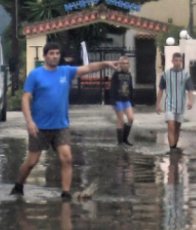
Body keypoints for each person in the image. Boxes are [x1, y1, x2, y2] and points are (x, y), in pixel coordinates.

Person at [10, 42, 119, 200]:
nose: (55, 56)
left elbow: (88, 68)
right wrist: (29, 122)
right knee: (32, 161)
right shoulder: (35, 74)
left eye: (57, 53)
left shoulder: (65, 72)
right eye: (51, 53)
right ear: (45, 56)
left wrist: (106, 64)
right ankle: (18, 185)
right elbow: (25, 99)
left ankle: (65, 193)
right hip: (39, 126)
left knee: (66, 158)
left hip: (60, 125)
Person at [155, 52, 194, 150]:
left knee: (177, 128)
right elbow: (161, 89)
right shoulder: (166, 74)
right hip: (169, 104)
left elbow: (190, 89)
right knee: (171, 126)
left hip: (180, 105)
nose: (178, 62)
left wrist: (190, 101)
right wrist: (157, 104)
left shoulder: (185, 74)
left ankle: (174, 146)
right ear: (172, 61)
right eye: (176, 60)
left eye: (180, 60)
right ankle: (172, 149)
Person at [109, 56, 135, 146]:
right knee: (120, 120)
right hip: (118, 99)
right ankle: (120, 142)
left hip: (126, 99)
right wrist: (112, 100)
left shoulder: (129, 75)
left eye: (126, 63)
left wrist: (132, 100)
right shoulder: (116, 75)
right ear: (120, 64)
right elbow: (112, 88)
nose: (125, 65)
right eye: (123, 63)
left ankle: (125, 139)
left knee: (131, 118)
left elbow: (131, 88)